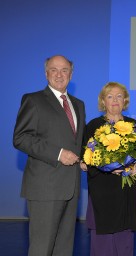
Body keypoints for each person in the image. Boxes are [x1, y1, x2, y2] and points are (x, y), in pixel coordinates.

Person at [13, 55, 86, 255]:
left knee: (64, 248)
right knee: (41, 248)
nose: (59, 74)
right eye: (54, 69)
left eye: (64, 70)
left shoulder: (78, 104)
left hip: (71, 188)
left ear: (71, 74)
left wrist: (86, 158)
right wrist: (58, 154)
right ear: (46, 74)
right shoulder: (33, 100)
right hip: (44, 188)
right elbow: (20, 138)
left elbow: (76, 142)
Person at [80, 82, 136, 256]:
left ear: (125, 101)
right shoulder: (93, 126)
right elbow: (86, 158)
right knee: (102, 247)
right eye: (110, 96)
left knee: (125, 246)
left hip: (126, 193)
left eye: (119, 96)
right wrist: (106, 168)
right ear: (103, 101)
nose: (115, 100)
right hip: (102, 194)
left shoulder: (134, 125)